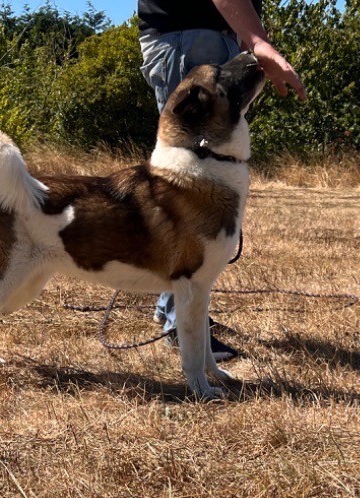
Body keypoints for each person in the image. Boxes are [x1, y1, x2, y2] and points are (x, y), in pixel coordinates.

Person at [138, 0, 306, 361]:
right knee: (191, 188)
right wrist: (257, 41)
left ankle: (173, 310)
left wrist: (245, 35)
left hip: (198, 35)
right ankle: (183, 327)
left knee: (191, 184)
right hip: (190, 38)